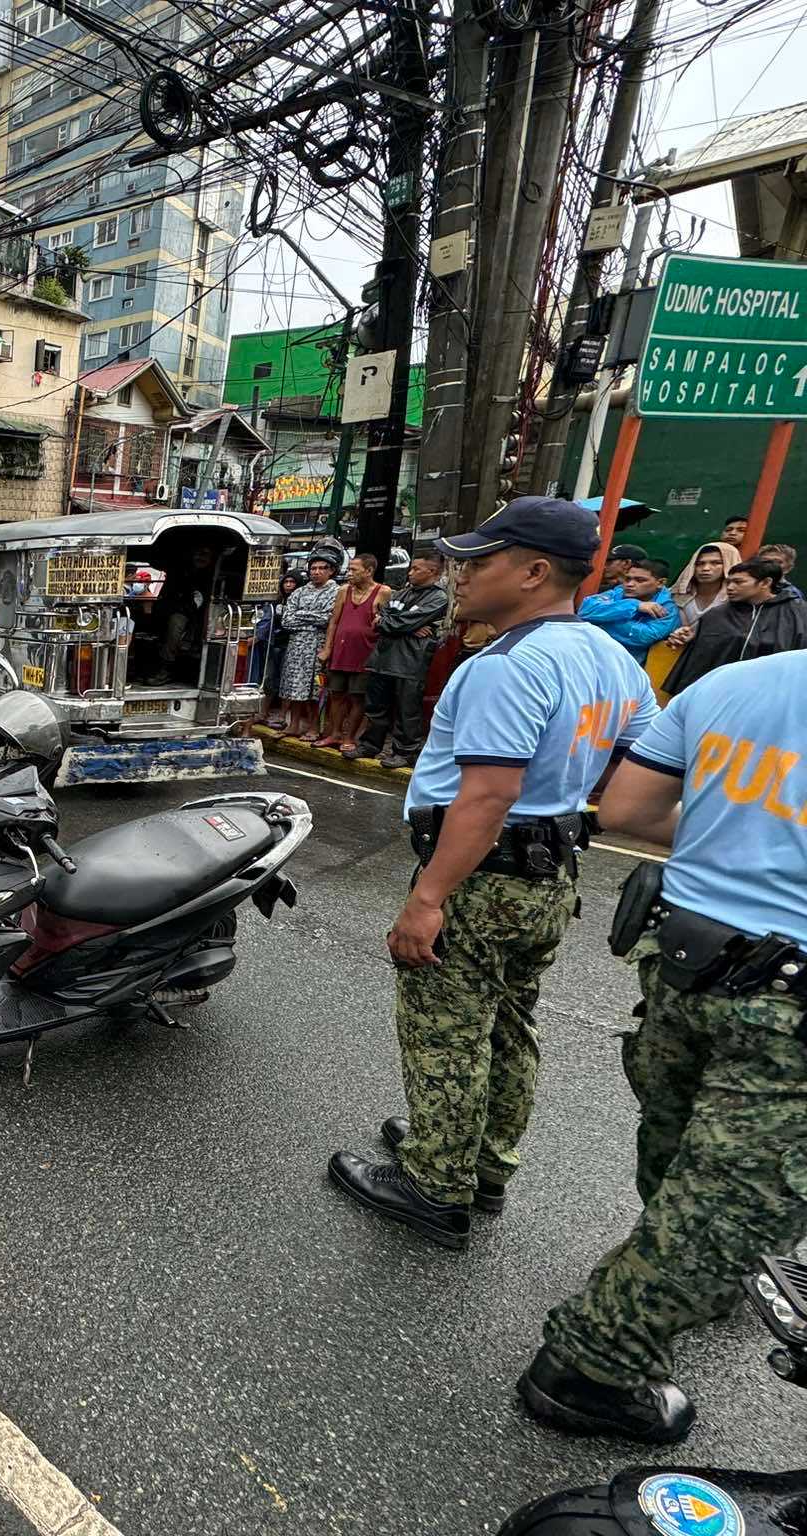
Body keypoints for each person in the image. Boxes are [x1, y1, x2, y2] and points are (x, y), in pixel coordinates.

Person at [327, 496, 659, 1250]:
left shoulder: (506, 666)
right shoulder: (611, 658)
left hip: (482, 876)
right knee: (509, 1025)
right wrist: (568, 802)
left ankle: (432, 1185)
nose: (461, 575)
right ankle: (483, 1165)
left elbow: (487, 794)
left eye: (481, 561)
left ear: (535, 572)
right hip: (549, 875)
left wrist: (429, 897)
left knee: (447, 1031)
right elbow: (641, 770)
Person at [523, 648, 807, 1443]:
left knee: (684, 1152)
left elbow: (632, 808)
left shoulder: (737, 682)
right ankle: (594, 1363)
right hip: (788, 1001)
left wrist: (738, 839)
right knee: (739, 1194)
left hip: (688, 959)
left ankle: (676, 1269)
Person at [350, 551, 449, 768]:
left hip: (411, 661)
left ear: (432, 571)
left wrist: (396, 624)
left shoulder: (438, 597)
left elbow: (393, 622)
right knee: (376, 706)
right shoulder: (401, 593)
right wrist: (407, 627)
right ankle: (370, 745)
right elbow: (379, 617)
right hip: (383, 657)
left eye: (416, 569)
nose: (410, 572)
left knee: (407, 709)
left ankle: (405, 752)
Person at [662, 556, 807, 694]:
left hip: (770, 693)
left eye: (739, 582)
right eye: (728, 582)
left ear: (765, 583)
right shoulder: (718, 614)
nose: (730, 587)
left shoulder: (797, 613)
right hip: (718, 691)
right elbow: (701, 659)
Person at [318, 552, 390, 749]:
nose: (349, 573)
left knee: (358, 696)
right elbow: (334, 621)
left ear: (368, 571)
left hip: (366, 652)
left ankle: (349, 737)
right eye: (349, 569)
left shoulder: (383, 592)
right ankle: (334, 734)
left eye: (354, 570)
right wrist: (327, 648)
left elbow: (387, 621)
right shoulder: (344, 591)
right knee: (336, 694)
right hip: (341, 650)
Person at [278, 556, 339, 740]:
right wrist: (312, 618)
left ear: (331, 571)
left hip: (319, 647)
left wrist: (301, 615)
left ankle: (314, 728)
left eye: (322, 568)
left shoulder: (336, 592)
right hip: (297, 647)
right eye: (313, 568)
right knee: (295, 688)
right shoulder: (299, 592)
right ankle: (294, 724)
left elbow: (327, 619)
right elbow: (287, 620)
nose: (317, 572)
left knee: (316, 690)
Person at [578, 557, 680, 663]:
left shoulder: (667, 608)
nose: (630, 584)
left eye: (640, 580)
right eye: (627, 579)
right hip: (589, 656)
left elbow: (643, 637)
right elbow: (585, 610)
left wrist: (601, 620)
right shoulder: (619, 591)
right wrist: (634, 605)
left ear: (660, 583)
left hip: (625, 665)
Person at [144, 543, 218, 683]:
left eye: (205, 554)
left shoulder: (209, 576)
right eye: (198, 553)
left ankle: (166, 668)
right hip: (174, 608)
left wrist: (184, 608)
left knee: (176, 623)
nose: (200, 557)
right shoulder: (181, 570)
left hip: (196, 614)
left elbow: (198, 600)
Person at [257, 570, 303, 728]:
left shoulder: (300, 601)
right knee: (269, 678)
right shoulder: (276, 601)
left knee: (286, 682)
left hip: (291, 645)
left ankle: (283, 716)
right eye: (286, 582)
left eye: (292, 582)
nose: (289, 585)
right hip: (273, 643)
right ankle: (263, 712)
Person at [665, 540, 738, 640]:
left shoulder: (737, 600)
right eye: (699, 563)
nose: (705, 568)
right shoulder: (673, 594)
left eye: (716, 563)